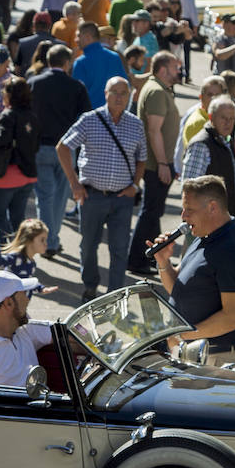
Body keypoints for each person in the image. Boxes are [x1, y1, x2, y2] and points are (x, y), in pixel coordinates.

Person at [57, 77, 146, 302]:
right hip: (92, 196)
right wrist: (74, 184)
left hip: (122, 198)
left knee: (119, 249)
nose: (119, 97)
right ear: (105, 94)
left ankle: (114, 295)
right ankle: (90, 284)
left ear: (129, 96)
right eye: (114, 92)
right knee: (88, 245)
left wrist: (135, 185)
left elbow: (142, 159)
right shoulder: (90, 120)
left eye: (123, 93)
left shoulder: (136, 124)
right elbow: (63, 147)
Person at [151, 176, 235, 368]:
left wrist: (180, 335)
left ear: (212, 207)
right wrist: (163, 263)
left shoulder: (232, 251)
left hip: (216, 359)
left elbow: (233, 318)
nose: (183, 216)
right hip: (192, 352)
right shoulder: (203, 235)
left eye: (189, 209)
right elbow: (178, 289)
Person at [29, 44, 91, 258]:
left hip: (39, 147)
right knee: (60, 199)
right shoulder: (76, 86)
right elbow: (86, 119)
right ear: (67, 63)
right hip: (66, 148)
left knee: (44, 197)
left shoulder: (34, 83)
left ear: (48, 61)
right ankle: (51, 240)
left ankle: (48, 241)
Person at [127, 52, 182, 276]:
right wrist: (162, 163)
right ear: (162, 70)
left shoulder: (158, 88)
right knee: (150, 212)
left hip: (158, 163)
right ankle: (136, 260)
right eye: (174, 67)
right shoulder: (157, 91)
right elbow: (153, 129)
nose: (178, 71)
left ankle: (149, 256)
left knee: (153, 212)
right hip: (155, 164)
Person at [0, 77, 39, 240]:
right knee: (18, 219)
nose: (2, 95)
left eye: (4, 92)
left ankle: (1, 256)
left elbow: (1, 141)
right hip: (27, 175)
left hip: (6, 176)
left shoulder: (9, 114)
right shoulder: (32, 115)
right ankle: (19, 257)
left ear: (10, 95)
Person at [183, 96, 235, 215]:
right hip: (205, 220)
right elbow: (189, 189)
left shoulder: (228, 141)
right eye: (223, 118)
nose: (228, 123)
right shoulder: (201, 144)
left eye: (232, 119)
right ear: (211, 117)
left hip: (223, 219)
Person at [72, 20, 126, 109]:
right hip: (114, 115)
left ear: (88, 37)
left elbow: (76, 96)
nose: (76, 40)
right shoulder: (115, 57)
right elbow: (125, 86)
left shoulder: (81, 62)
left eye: (78, 36)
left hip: (89, 117)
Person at [0, 219, 57, 289]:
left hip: (20, 298)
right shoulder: (16, 257)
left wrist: (41, 289)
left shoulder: (31, 262)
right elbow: (0, 261)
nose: (46, 244)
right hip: (8, 297)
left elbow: (27, 281)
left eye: (46, 240)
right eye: (42, 240)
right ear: (29, 240)